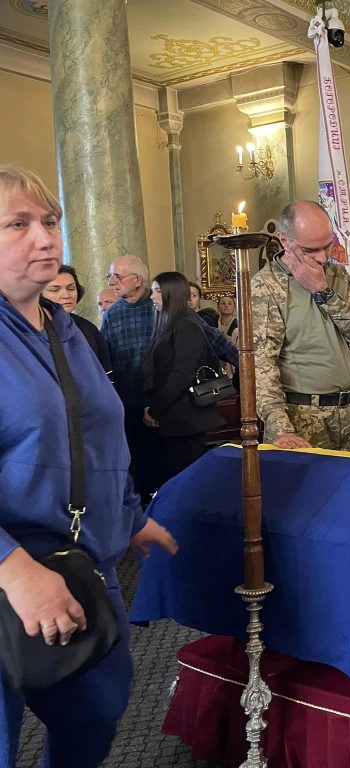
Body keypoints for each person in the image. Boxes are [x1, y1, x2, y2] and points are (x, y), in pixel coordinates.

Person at [0, 163, 178, 767]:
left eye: (50, 222)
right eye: (18, 224)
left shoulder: (66, 329)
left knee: (100, 709)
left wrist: (129, 517)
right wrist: (17, 574)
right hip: (10, 567)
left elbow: (97, 437)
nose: (45, 238)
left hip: (83, 558)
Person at [251, 200, 350, 452]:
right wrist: (281, 429)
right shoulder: (267, 286)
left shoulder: (336, 275)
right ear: (284, 241)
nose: (323, 257)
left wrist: (324, 292)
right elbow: (261, 367)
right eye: (310, 250)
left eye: (327, 245)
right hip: (301, 417)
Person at [143, 272, 226, 479]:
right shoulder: (168, 321)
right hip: (174, 417)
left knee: (187, 478)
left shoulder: (187, 324)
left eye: (157, 291)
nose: (151, 296)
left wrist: (155, 409)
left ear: (172, 293)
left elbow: (181, 374)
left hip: (187, 418)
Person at [102, 254, 160, 499]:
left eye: (117, 276)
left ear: (137, 280)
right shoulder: (112, 314)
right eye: (110, 276)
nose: (112, 282)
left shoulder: (158, 306)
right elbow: (104, 358)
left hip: (161, 401)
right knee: (136, 466)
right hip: (127, 403)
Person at [44, 264, 112, 373]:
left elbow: (106, 374)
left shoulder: (88, 328)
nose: (66, 295)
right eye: (55, 290)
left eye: (71, 288)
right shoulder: (30, 330)